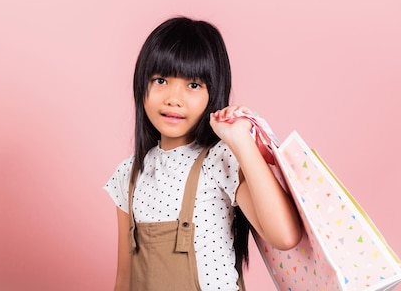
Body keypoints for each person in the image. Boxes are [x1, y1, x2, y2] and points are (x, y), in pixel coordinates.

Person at [103, 16, 303, 291]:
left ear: (214, 92)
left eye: (193, 85)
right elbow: (124, 278)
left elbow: (285, 236)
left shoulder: (220, 160)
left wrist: (241, 142)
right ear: (141, 86)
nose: (174, 97)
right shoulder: (128, 174)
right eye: (161, 80)